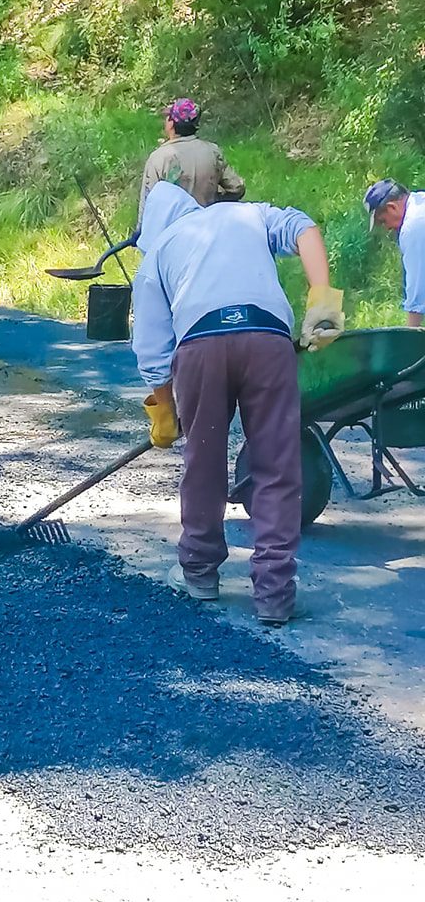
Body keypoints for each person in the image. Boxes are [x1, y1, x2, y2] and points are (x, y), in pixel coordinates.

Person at [132, 182, 344, 625]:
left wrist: (165, 411)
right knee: (276, 465)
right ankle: (274, 595)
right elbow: (302, 226)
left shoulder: (158, 252)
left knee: (203, 461)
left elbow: (152, 350)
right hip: (267, 341)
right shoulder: (246, 215)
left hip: (201, 348)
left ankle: (199, 573)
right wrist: (322, 296)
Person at [138, 98, 245, 222]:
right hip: (208, 226)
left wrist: (140, 235)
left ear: (171, 124)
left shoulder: (158, 158)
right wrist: (215, 201)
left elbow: (147, 205)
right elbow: (237, 188)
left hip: (173, 231)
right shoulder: (212, 152)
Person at [364, 179, 425, 328]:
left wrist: (410, 339)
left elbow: (418, 287)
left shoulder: (413, 226)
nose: (387, 228)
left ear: (392, 208)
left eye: (383, 221)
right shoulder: (420, 201)